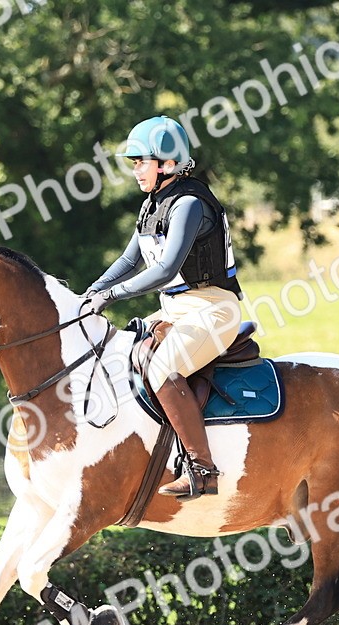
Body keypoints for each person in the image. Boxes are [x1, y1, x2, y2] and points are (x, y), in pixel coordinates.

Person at [82, 116, 243, 500]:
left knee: (163, 368)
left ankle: (202, 469)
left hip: (212, 309)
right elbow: (128, 261)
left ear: (167, 163)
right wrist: (93, 291)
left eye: (141, 161)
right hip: (173, 310)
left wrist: (113, 296)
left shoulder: (189, 204)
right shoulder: (153, 205)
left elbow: (165, 269)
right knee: (118, 353)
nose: (135, 169)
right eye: (134, 162)